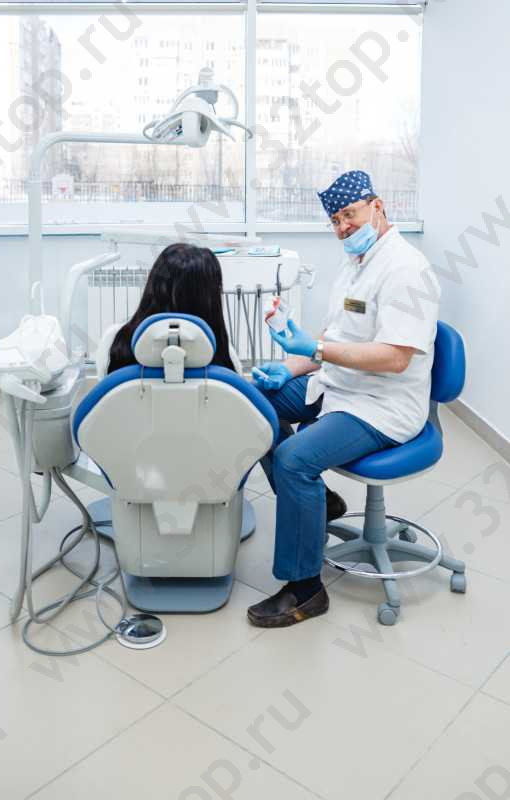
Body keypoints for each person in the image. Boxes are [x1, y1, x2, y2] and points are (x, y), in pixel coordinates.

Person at [247, 170, 441, 629]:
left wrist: (315, 351)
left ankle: (306, 589)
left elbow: (394, 358)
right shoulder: (355, 263)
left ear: (378, 206)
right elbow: (333, 338)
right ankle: (323, 504)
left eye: (349, 215)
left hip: (381, 404)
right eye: (334, 221)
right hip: (339, 384)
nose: (342, 227)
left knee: (294, 459)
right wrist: (290, 367)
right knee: (251, 405)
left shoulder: (407, 270)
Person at [94, 242, 242, 377]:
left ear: (153, 287)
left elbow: (107, 395)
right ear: (211, 298)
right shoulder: (225, 354)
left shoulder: (113, 341)